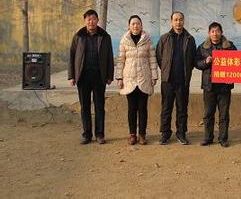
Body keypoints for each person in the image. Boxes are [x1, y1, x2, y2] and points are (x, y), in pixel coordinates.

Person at [68, 9, 114, 145]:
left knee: (100, 106)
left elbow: (109, 57)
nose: (91, 21)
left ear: (97, 20)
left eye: (93, 19)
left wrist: (109, 75)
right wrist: (72, 76)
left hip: (99, 76)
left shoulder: (105, 36)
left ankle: (100, 134)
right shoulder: (79, 36)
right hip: (83, 76)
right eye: (88, 19)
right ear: (85, 21)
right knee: (85, 106)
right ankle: (87, 134)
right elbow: (71, 56)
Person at [115, 15, 158, 145]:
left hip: (144, 78)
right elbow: (121, 60)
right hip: (129, 79)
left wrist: (154, 76)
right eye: (133, 24)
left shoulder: (147, 40)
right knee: (131, 108)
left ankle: (142, 135)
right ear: (129, 26)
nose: (135, 26)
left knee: (143, 108)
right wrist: (119, 77)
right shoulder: (124, 40)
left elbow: (152, 59)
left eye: (138, 24)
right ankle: (132, 134)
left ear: (141, 25)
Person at [156, 11, 196, 145]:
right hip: (167, 80)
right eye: (176, 20)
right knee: (166, 108)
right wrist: (166, 70)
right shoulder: (164, 38)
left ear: (184, 21)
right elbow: (159, 57)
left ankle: (181, 133)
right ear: (171, 21)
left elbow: (192, 59)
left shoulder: (189, 39)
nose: (178, 22)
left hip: (183, 81)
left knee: (182, 108)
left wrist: (186, 72)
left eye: (180, 20)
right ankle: (165, 133)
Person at [195, 22, 237, 147]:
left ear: (221, 32)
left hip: (224, 86)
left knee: (224, 114)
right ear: (209, 33)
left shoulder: (230, 46)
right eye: (212, 31)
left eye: (217, 31)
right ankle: (208, 137)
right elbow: (196, 63)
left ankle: (223, 139)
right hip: (209, 86)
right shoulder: (203, 47)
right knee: (208, 113)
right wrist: (205, 62)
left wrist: (232, 77)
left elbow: (237, 64)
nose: (215, 34)